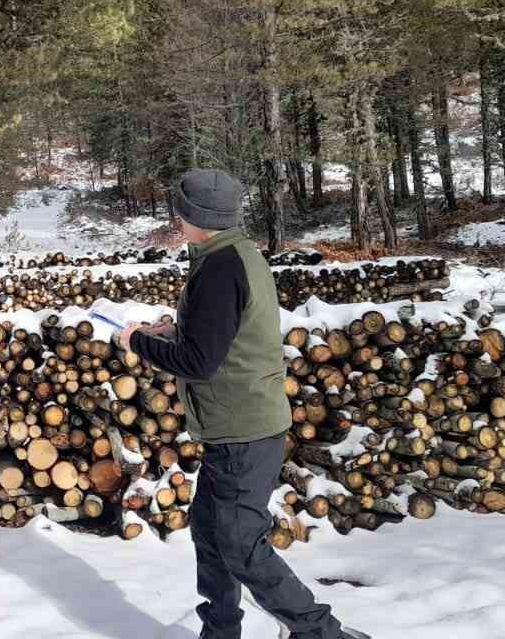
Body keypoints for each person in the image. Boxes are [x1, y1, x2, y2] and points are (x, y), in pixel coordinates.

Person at [115, 169, 368, 639]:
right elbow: (224, 332)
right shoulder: (234, 254)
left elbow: (198, 361)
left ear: (197, 217)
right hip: (237, 426)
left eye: (182, 210)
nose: (177, 217)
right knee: (211, 535)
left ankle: (321, 633)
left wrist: (137, 342)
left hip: (242, 431)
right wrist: (172, 331)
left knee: (242, 546)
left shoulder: (219, 267)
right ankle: (221, 632)